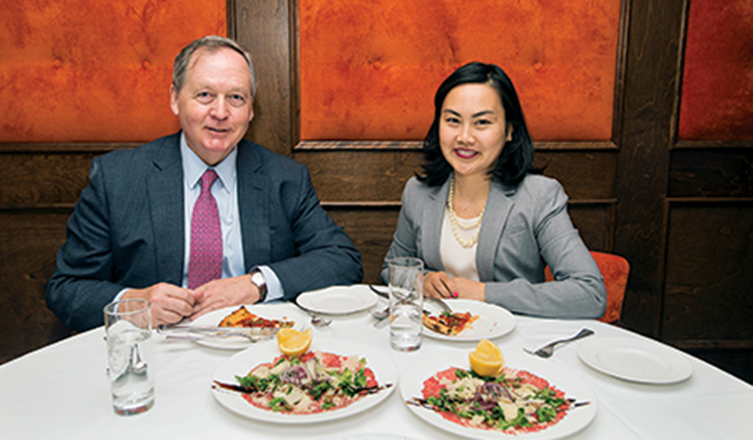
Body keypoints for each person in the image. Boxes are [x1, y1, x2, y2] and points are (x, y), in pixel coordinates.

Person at [46, 36, 363, 331]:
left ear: (251, 109)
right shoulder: (118, 178)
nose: (220, 112)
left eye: (236, 98)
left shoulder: (284, 178)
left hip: (254, 350)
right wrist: (135, 304)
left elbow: (342, 260)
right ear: (175, 99)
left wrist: (256, 284)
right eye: (205, 95)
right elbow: (66, 288)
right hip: (157, 351)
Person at [381, 62, 606, 319]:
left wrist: (484, 293)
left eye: (482, 123)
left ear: (510, 129)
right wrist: (422, 279)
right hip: (436, 338)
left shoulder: (539, 196)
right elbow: (391, 268)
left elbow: (590, 294)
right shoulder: (418, 192)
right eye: (453, 120)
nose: (465, 137)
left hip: (510, 347)